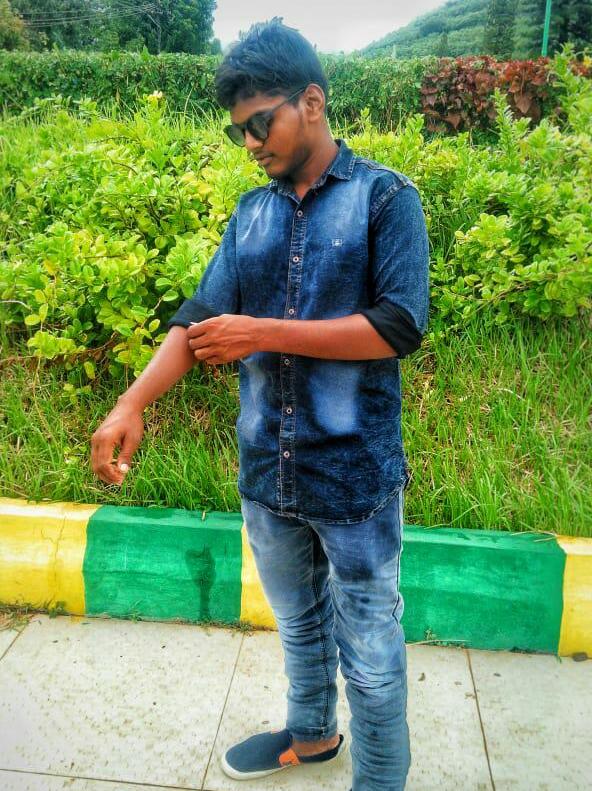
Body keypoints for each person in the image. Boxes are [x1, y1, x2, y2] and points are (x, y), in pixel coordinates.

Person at [91, 17, 429, 791]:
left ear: (312, 101)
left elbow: (398, 325)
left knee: (372, 656)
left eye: (259, 122)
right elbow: (200, 318)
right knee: (300, 625)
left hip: (354, 479)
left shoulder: (385, 198)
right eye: (238, 129)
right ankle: (312, 736)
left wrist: (263, 331)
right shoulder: (251, 214)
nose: (249, 142)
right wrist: (130, 402)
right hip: (267, 473)